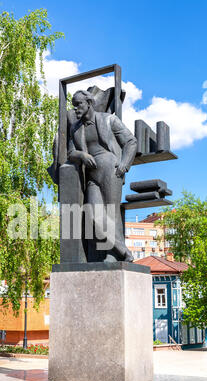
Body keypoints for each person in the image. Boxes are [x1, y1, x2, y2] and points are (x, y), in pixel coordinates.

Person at [67, 90, 137, 262]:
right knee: (93, 214)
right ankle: (124, 252)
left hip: (110, 169)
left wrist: (124, 165)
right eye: (74, 105)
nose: (75, 108)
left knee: (111, 213)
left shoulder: (108, 119)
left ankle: (112, 255)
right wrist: (82, 155)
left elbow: (130, 141)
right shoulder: (75, 129)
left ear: (89, 103)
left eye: (79, 104)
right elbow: (70, 153)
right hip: (91, 174)